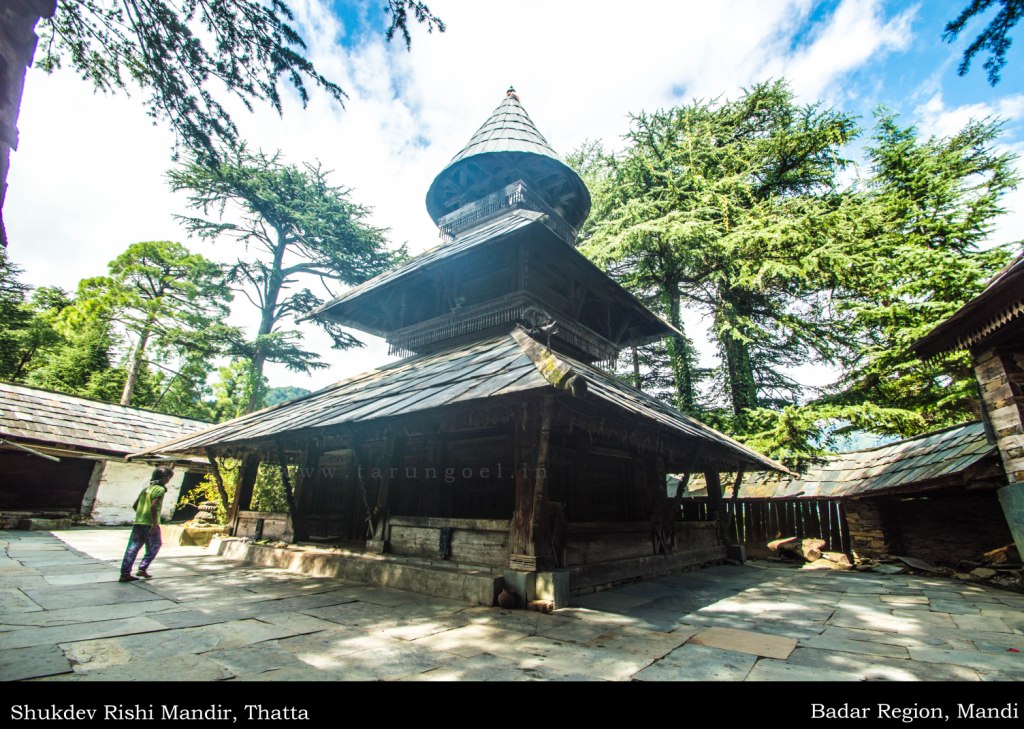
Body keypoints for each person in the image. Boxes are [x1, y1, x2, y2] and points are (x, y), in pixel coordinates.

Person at [119, 465, 174, 582]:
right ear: (165, 477)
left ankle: (125, 573)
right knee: (155, 545)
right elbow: (154, 505)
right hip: (150, 523)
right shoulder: (160, 489)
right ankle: (142, 568)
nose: (169, 480)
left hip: (139, 522)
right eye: (169, 477)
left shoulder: (146, 489)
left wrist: (141, 514)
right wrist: (154, 522)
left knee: (132, 548)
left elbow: (135, 505)